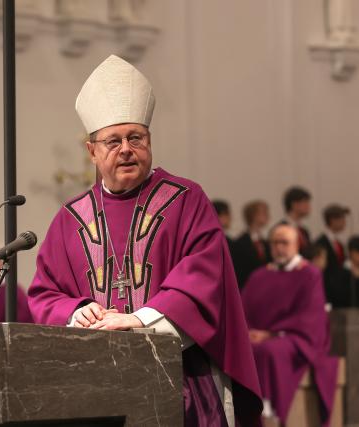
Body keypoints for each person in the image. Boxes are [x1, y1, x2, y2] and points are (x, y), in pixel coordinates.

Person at [27, 55, 262, 425]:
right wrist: (75, 310)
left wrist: (138, 320)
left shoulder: (186, 199)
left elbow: (205, 278)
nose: (125, 149)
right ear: (91, 150)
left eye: (135, 137)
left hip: (178, 380)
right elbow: (44, 294)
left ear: (149, 140)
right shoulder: (70, 218)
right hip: (94, 383)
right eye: (113, 140)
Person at [241, 225, 338, 426]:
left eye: (284, 242)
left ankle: (268, 409)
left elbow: (309, 315)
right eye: (274, 243)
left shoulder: (310, 273)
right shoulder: (259, 275)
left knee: (269, 351)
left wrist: (271, 334)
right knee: (238, 349)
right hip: (258, 336)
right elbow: (242, 309)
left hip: (296, 337)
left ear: (297, 245)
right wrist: (248, 332)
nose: (278, 248)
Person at [235, 200, 270, 286]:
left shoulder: (265, 242)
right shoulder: (240, 243)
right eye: (263, 213)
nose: (268, 216)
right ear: (253, 215)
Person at [212, 199, 243, 286]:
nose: (231, 218)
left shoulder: (224, 240)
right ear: (219, 216)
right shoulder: (220, 241)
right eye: (227, 214)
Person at [279, 186, 312, 255]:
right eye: (305, 202)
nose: (308, 206)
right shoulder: (281, 229)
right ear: (294, 204)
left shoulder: (304, 231)